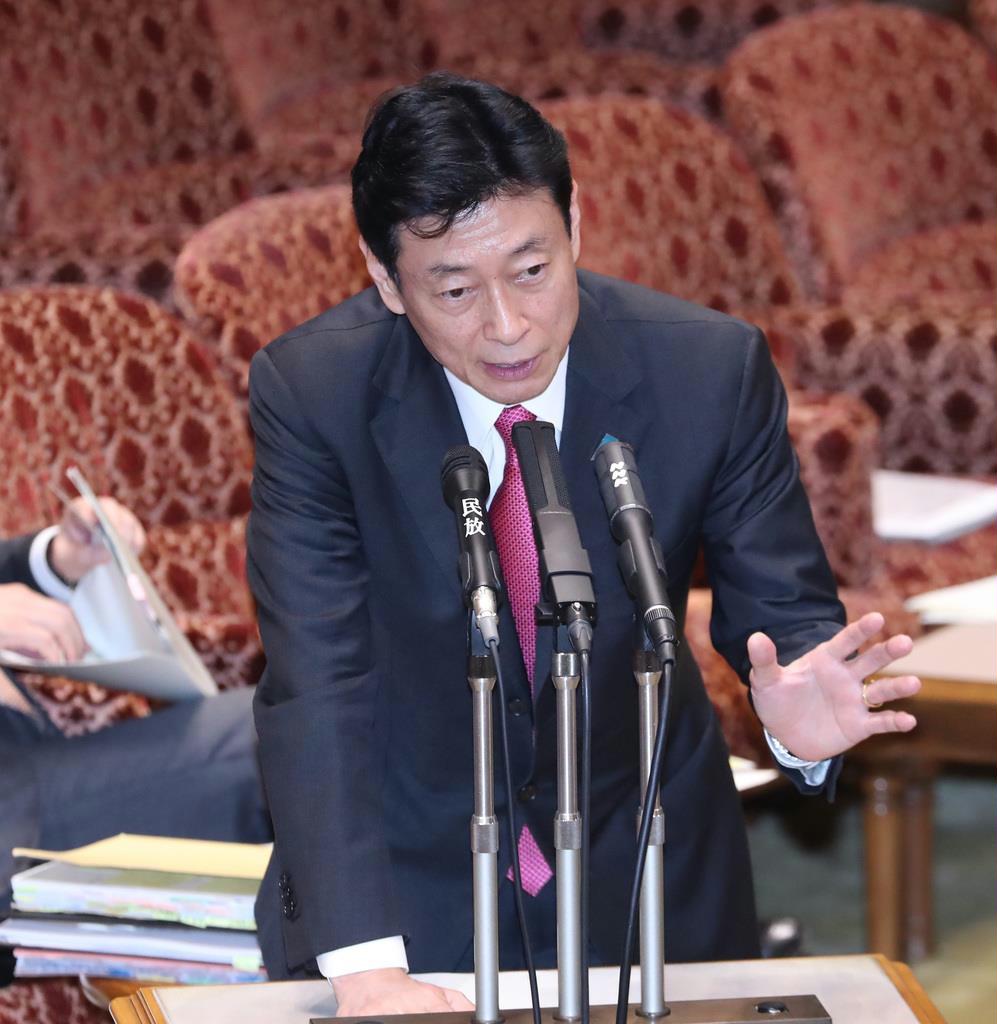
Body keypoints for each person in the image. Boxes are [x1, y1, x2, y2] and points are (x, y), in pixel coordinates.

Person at [247, 73, 921, 1014]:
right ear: (385, 279)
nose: (506, 326)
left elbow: (784, 613)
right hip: (407, 882)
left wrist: (793, 726)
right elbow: (318, 681)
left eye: (531, 270)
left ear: (575, 226)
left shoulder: (707, 370)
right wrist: (367, 967)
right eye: (454, 289)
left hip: (645, 866)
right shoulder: (314, 395)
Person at [0, 496, 272, 931]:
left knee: (293, 726)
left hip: (32, 762)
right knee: (276, 735)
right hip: (14, 812)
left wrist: (60, 560)